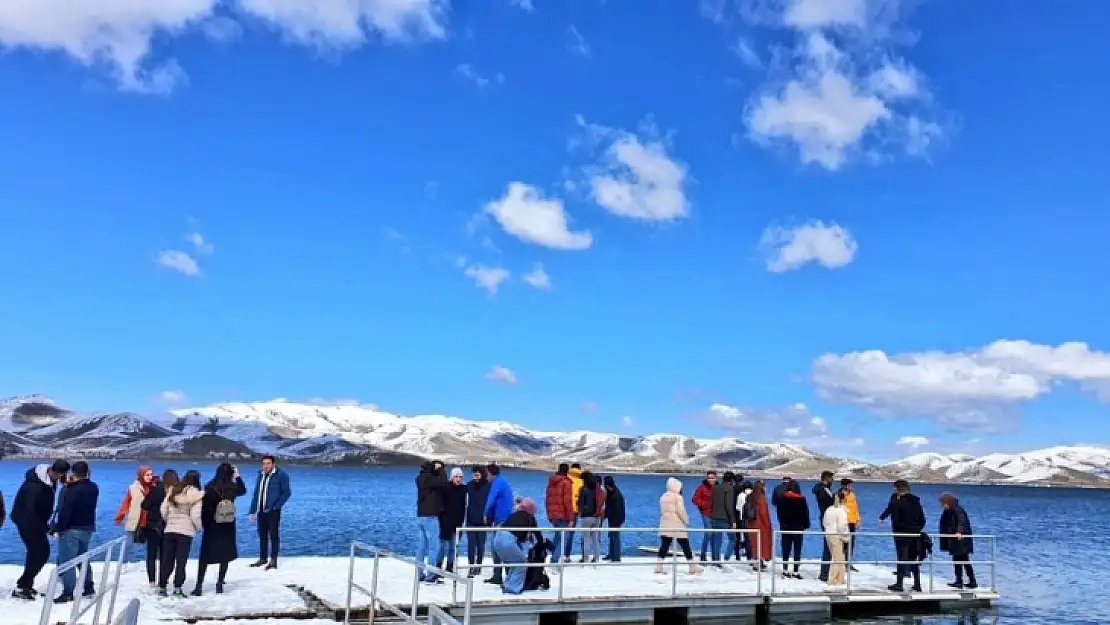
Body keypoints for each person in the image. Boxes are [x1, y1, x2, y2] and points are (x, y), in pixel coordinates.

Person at [9, 459, 68, 600]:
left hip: (34, 521)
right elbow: (29, 511)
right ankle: (22, 586)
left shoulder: (48, 478)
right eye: (62, 476)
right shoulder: (34, 487)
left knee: (37, 552)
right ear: (57, 472)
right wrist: (46, 528)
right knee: (40, 552)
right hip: (26, 521)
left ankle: (25, 585)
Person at [195, 463, 247, 596]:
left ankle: (199, 586)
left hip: (212, 525)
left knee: (205, 556)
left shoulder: (210, 487)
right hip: (228, 523)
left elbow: (204, 509)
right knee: (224, 554)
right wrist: (238, 476)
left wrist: (202, 523)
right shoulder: (233, 487)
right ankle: (219, 584)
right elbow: (243, 490)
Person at [53, 461, 99, 603]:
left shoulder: (72, 490)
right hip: (88, 528)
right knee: (82, 558)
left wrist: (58, 528)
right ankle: (88, 586)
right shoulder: (93, 487)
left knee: (67, 561)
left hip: (72, 529)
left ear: (73, 473)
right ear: (87, 472)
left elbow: (67, 511)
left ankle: (68, 592)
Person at [158, 470, 203, 598]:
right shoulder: (196, 495)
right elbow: (195, 515)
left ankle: (162, 587)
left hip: (170, 530)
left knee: (167, 560)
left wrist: (169, 521)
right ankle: (177, 588)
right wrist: (197, 527)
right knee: (181, 561)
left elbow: (163, 509)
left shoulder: (173, 491)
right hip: (185, 532)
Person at [880, 479, 926, 592]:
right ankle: (917, 584)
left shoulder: (898, 502)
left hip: (901, 533)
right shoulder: (916, 501)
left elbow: (891, 509)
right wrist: (917, 529)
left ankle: (899, 584)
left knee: (901, 557)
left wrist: (882, 517)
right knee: (913, 558)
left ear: (897, 489)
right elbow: (922, 519)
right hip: (915, 533)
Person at [491, 497, 544, 595]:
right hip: (508, 540)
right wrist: (543, 545)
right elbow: (538, 535)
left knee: (514, 562)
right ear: (531, 509)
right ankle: (513, 588)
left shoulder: (513, 515)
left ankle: (508, 584)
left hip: (497, 538)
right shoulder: (530, 518)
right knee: (522, 562)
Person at [248, 455, 291, 570]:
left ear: (273, 464)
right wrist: (252, 511)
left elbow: (286, 493)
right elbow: (256, 493)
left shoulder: (281, 475)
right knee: (262, 535)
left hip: (273, 511)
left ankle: (273, 560)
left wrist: (276, 506)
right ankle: (263, 558)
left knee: (273, 535)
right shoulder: (260, 475)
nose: (266, 466)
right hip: (260, 510)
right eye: (264, 463)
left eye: (268, 463)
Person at [655, 477, 702, 575]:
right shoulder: (677, 497)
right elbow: (681, 511)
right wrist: (686, 521)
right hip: (677, 524)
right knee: (685, 545)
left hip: (665, 523)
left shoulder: (663, 497)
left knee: (664, 545)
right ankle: (692, 567)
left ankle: (659, 566)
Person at [114, 466, 155, 564]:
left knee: (152, 545)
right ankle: (123, 563)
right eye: (147, 475)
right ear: (141, 475)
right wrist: (120, 517)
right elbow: (126, 503)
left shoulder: (155, 487)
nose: (150, 477)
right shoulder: (133, 488)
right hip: (135, 519)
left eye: (151, 474)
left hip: (150, 520)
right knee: (128, 543)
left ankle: (153, 563)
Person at [415, 461, 447, 583]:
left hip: (422, 515)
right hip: (431, 516)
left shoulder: (420, 477)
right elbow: (443, 482)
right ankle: (431, 575)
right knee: (434, 546)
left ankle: (419, 573)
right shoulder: (430, 478)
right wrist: (441, 470)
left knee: (422, 546)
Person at [482, 463, 514, 585]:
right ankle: (499, 574)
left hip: (502, 520)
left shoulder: (497, 483)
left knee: (498, 547)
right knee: (497, 547)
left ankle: (502, 574)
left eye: (487, 474)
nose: (486, 477)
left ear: (490, 473)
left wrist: (485, 514)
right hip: (502, 519)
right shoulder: (503, 481)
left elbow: (491, 499)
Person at [938, 493, 977, 589]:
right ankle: (962, 580)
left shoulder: (958, 509)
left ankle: (969, 581)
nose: (942, 505)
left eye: (943, 503)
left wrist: (959, 531)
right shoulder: (949, 511)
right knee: (959, 560)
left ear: (948, 502)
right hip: (955, 540)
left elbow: (961, 521)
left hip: (961, 540)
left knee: (963, 560)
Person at [436, 468, 468, 576]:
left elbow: (464, 506)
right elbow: (440, 505)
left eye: (460, 477)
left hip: (457, 522)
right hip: (445, 522)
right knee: (443, 546)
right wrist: (441, 520)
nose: (458, 479)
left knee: (453, 547)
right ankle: (438, 567)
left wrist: (462, 521)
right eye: (456, 476)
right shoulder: (446, 488)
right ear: (452, 477)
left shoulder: (463, 489)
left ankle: (449, 567)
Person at [776, 480, 810, 579]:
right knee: (797, 549)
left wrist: (782, 523)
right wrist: (805, 525)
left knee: (786, 548)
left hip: (785, 527)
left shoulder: (781, 498)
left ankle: (785, 569)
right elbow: (805, 514)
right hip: (798, 527)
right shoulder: (801, 499)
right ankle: (795, 571)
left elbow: (779, 514)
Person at [139, 473, 167, 587]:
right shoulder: (170, 492)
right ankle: (162, 580)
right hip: (166, 526)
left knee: (151, 555)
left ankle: (152, 581)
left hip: (152, 526)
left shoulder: (154, 492)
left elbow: (144, 505)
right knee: (164, 555)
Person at [544, 463, 575, 564]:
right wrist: (571, 518)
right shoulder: (566, 483)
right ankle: (554, 560)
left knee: (557, 536)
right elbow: (567, 501)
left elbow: (547, 499)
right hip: (563, 515)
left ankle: (553, 555)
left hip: (553, 515)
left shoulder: (551, 483)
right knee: (564, 539)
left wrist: (549, 514)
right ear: (567, 472)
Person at [464, 466, 490, 577]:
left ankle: (478, 565)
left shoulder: (488, 486)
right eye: (474, 475)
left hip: (483, 520)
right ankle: (471, 566)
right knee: (471, 545)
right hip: (470, 519)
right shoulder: (469, 485)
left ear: (482, 474)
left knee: (481, 545)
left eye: (477, 475)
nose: (475, 477)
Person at [823, 490, 851, 586]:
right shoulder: (841, 511)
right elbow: (842, 526)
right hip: (836, 536)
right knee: (837, 558)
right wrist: (847, 536)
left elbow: (824, 523)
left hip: (828, 534)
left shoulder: (828, 510)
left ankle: (840, 578)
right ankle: (831, 579)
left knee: (840, 557)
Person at [576, 472, 605, 564]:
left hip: (586, 517)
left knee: (586, 538)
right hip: (597, 516)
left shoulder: (583, 490)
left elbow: (580, 503)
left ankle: (585, 558)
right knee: (595, 538)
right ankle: (596, 558)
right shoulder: (598, 489)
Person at [708, 471, 735, 567]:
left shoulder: (715, 488)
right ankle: (727, 556)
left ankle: (716, 561)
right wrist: (733, 521)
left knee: (717, 541)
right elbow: (729, 506)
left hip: (714, 517)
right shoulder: (729, 489)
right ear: (731, 480)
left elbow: (711, 503)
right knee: (733, 539)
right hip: (725, 518)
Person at [812, 470, 836, 582]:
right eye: (831, 478)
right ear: (826, 478)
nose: (832, 480)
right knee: (828, 546)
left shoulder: (824, 489)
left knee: (829, 546)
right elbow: (829, 502)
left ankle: (826, 571)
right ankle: (824, 573)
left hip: (827, 518)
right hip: (827, 519)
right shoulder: (823, 490)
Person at [690, 471, 716, 561]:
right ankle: (703, 555)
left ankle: (715, 557)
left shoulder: (718, 487)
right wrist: (703, 505)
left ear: (715, 478)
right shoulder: (702, 488)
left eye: (712, 478)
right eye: (709, 478)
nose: (710, 480)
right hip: (706, 514)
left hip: (717, 515)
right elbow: (694, 499)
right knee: (708, 534)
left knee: (715, 535)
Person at [748, 481, 773, 570]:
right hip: (760, 523)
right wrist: (768, 524)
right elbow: (763, 513)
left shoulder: (750, 496)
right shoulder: (761, 498)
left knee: (755, 544)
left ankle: (757, 562)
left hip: (751, 523)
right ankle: (758, 563)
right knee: (761, 544)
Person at [603, 476, 625, 562]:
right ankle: (611, 554)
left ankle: (616, 557)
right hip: (612, 518)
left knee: (615, 537)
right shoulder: (611, 493)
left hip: (616, 519)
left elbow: (617, 510)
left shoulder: (616, 496)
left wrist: (615, 521)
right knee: (611, 537)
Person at [840, 478, 861, 571]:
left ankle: (849, 563)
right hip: (843, 521)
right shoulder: (839, 494)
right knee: (843, 542)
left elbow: (855, 508)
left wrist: (858, 520)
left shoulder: (852, 494)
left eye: (850, 485)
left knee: (851, 543)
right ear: (844, 485)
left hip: (852, 521)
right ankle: (842, 563)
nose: (850, 487)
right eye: (849, 485)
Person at [567, 464, 584, 559]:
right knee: (571, 533)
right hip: (576, 510)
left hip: (566, 509)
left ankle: (561, 554)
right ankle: (567, 556)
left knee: (562, 533)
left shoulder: (566, 479)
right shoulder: (582, 481)